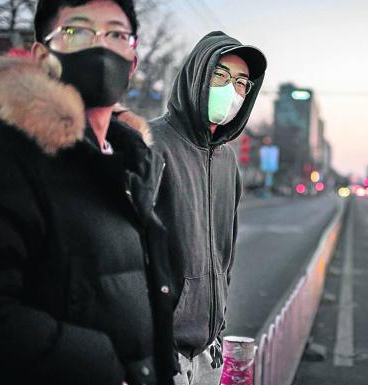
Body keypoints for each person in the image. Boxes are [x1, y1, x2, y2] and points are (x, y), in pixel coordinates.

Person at [0, 1, 176, 384]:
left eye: (116, 34)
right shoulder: (3, 156)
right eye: (76, 31)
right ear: (43, 55)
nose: (100, 46)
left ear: (133, 59)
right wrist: (108, 369)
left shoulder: (132, 161)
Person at [150, 31, 267, 385]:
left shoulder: (227, 160)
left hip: (208, 348)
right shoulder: (151, 144)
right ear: (197, 75)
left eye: (241, 83)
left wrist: (219, 324)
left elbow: (225, 253)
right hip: (159, 348)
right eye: (220, 76)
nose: (231, 90)